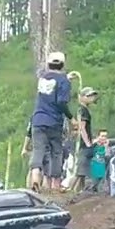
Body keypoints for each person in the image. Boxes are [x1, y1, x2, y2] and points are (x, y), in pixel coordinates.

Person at [28, 51, 74, 192]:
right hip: (54, 121)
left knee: (38, 149)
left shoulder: (42, 78)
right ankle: (55, 183)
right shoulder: (63, 81)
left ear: (49, 64)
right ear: (63, 64)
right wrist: (71, 118)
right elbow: (61, 101)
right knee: (56, 151)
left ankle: (35, 176)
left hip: (38, 119)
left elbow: (52, 82)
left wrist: (66, 78)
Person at [71, 87, 100, 193]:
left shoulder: (82, 110)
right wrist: (88, 142)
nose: (92, 98)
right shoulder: (83, 111)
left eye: (92, 95)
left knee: (82, 173)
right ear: (82, 97)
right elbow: (82, 127)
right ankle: (70, 191)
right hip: (83, 145)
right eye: (89, 96)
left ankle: (78, 192)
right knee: (80, 171)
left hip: (82, 144)